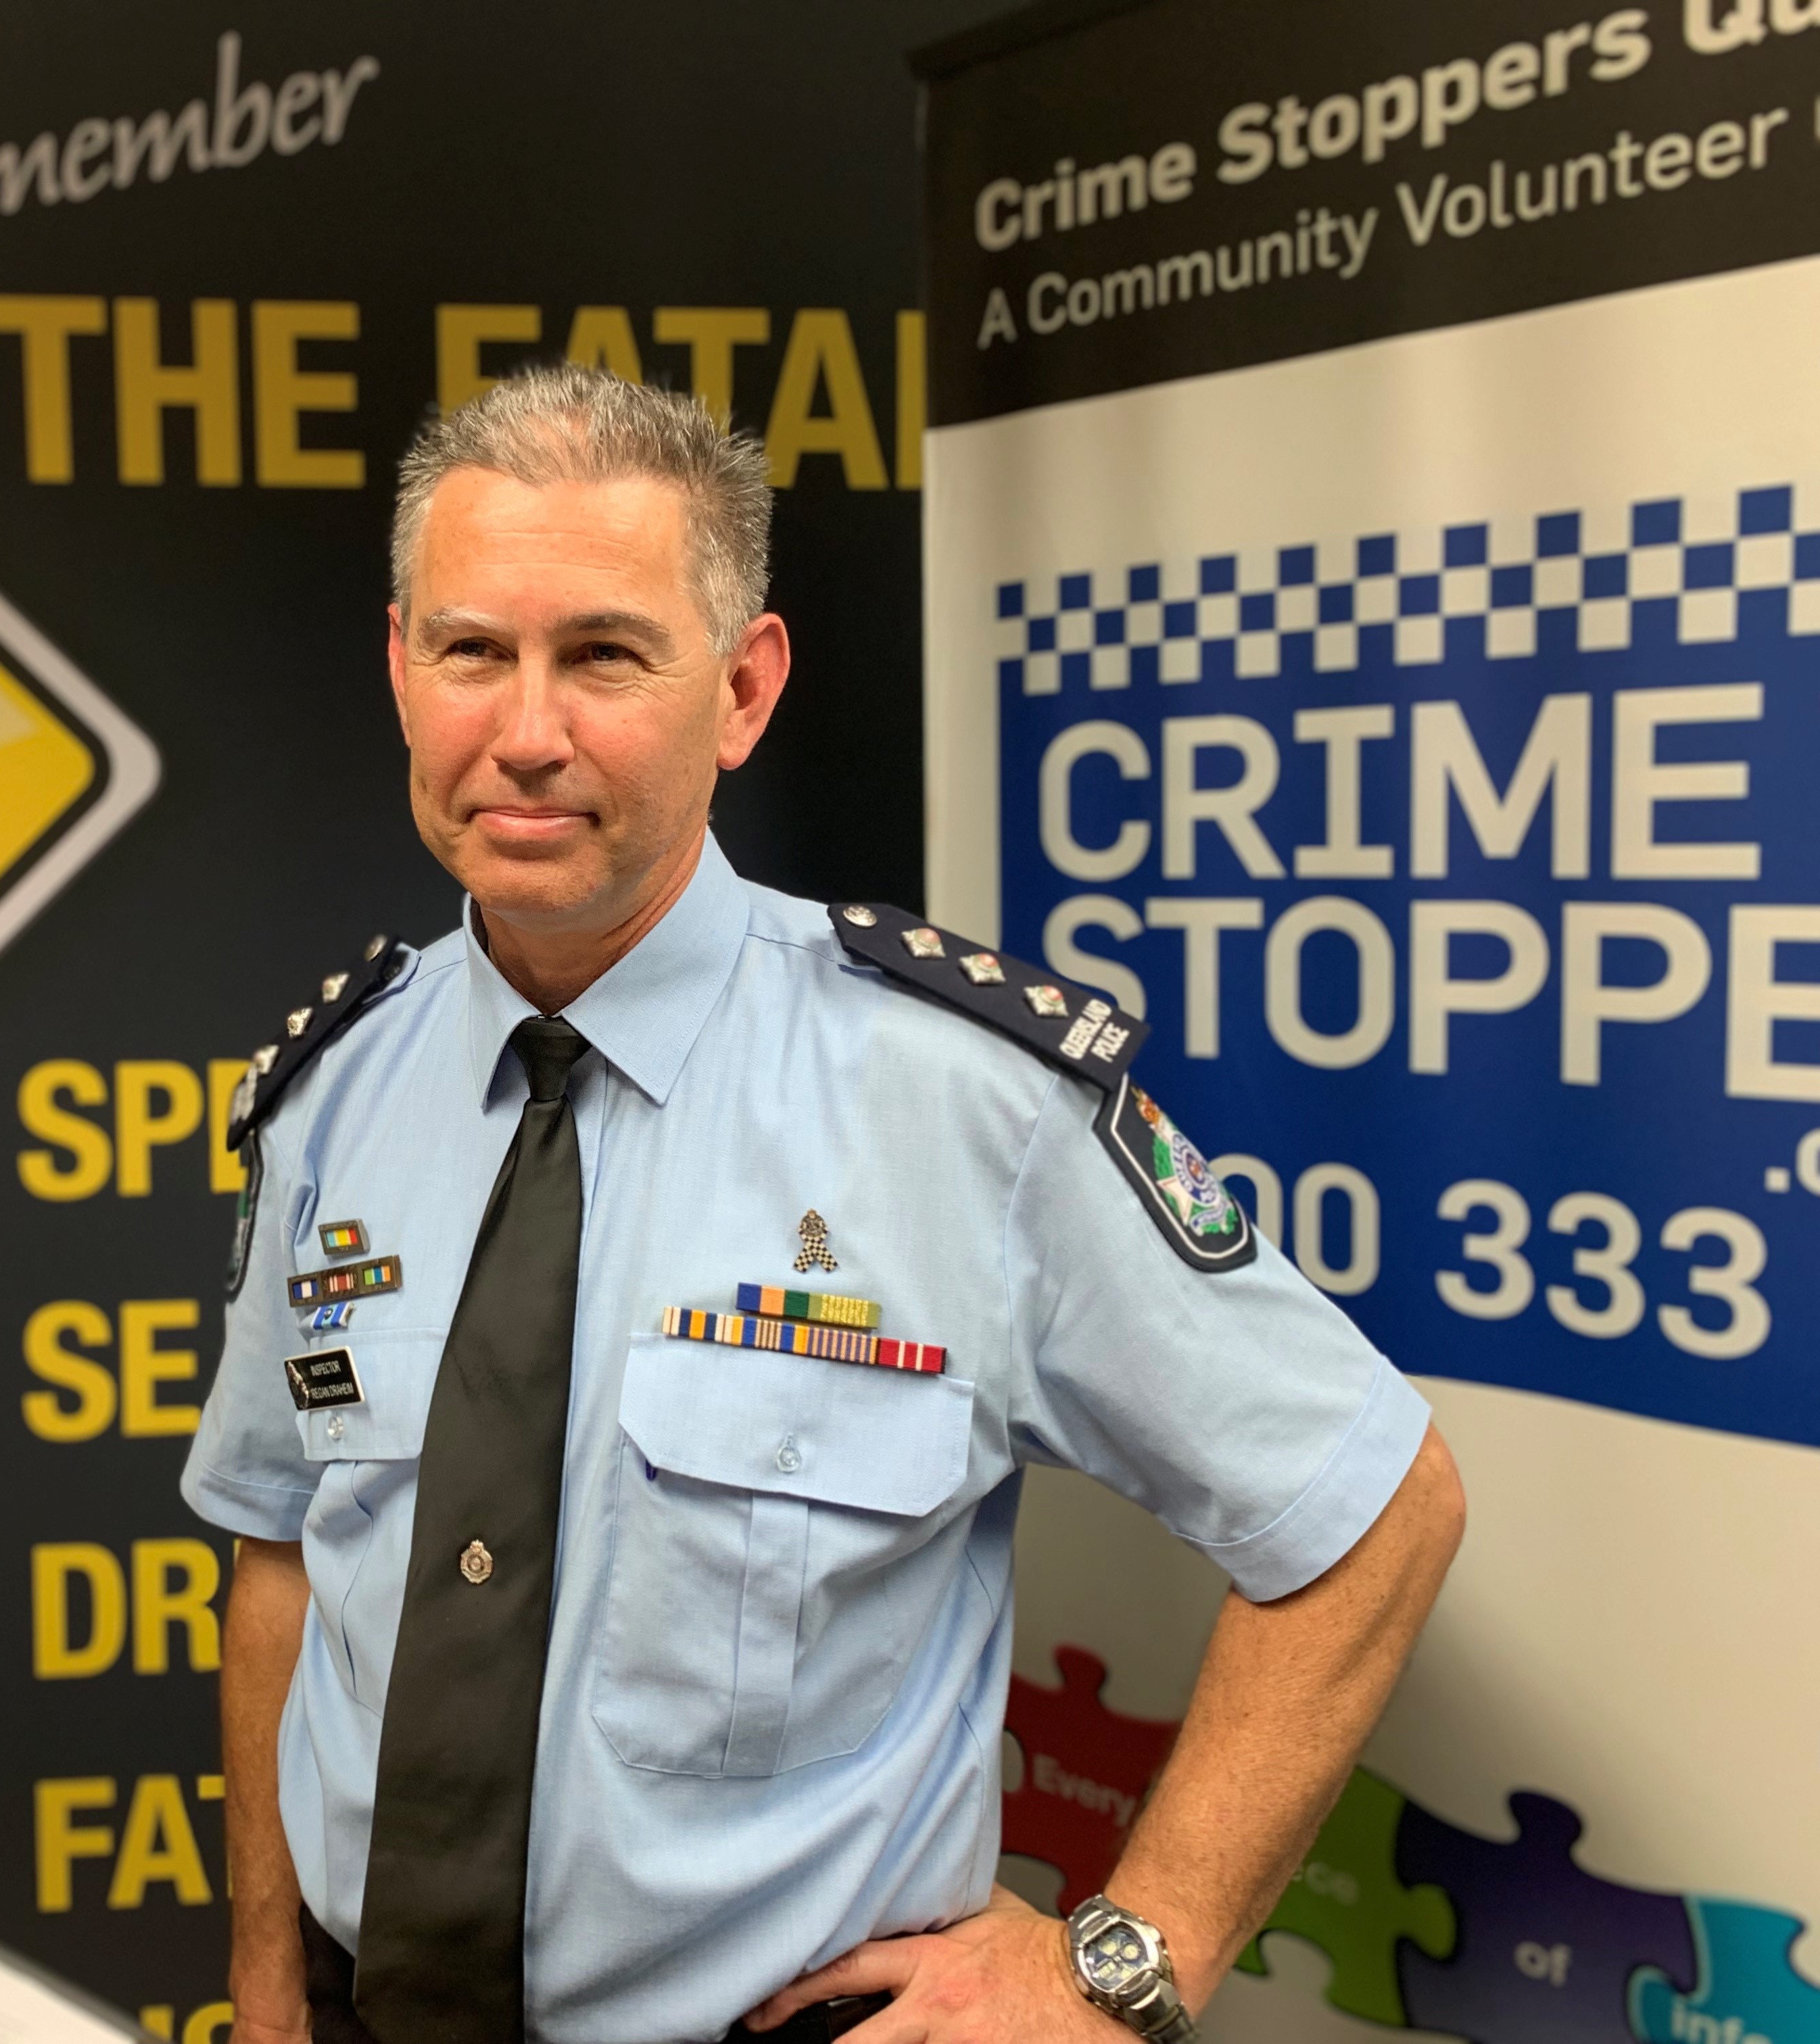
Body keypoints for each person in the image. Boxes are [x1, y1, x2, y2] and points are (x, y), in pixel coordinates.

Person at [181, 362, 1465, 2044]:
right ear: (401, 665)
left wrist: (1121, 1971)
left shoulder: (965, 1102)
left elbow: (1372, 1509)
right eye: (472, 650)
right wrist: (268, 1987)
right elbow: (283, 1552)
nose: (528, 732)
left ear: (743, 689)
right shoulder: (331, 1095)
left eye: (605, 655)